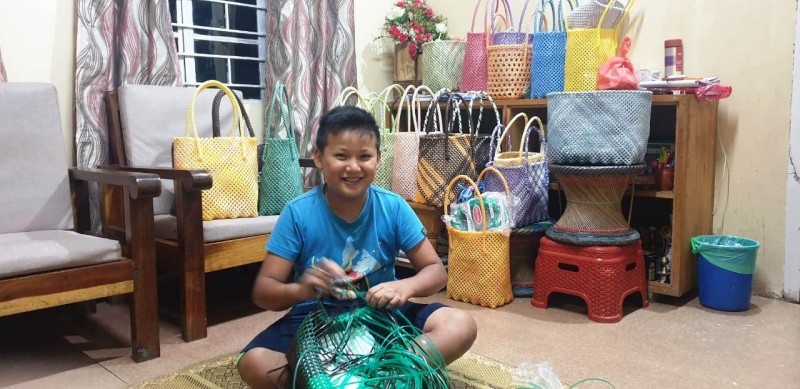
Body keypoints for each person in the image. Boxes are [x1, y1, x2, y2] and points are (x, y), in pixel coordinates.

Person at [237, 105, 477, 388]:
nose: (353, 166)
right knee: (254, 363)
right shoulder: (298, 213)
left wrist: (404, 288)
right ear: (319, 158)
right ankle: (352, 378)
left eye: (364, 156)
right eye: (341, 156)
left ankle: (387, 375)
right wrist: (302, 289)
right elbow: (264, 291)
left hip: (382, 315)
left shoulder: (393, 207)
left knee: (461, 325)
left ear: (378, 159)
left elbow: (435, 271)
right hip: (315, 318)